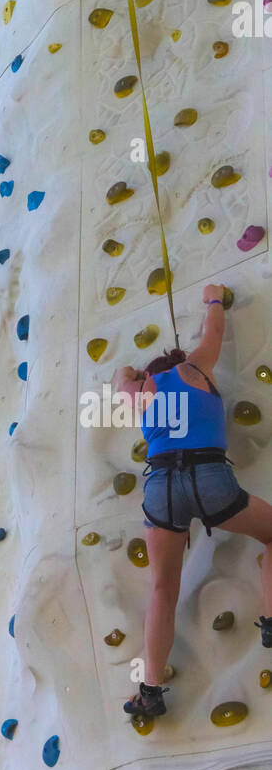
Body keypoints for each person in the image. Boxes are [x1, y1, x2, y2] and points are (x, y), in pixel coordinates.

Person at [113, 285, 272, 720]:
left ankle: (149, 691)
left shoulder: (140, 393)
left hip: (161, 485)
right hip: (208, 475)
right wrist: (214, 300)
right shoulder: (195, 367)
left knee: (163, 589)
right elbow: (214, 332)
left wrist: (134, 374)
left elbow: (119, 379)